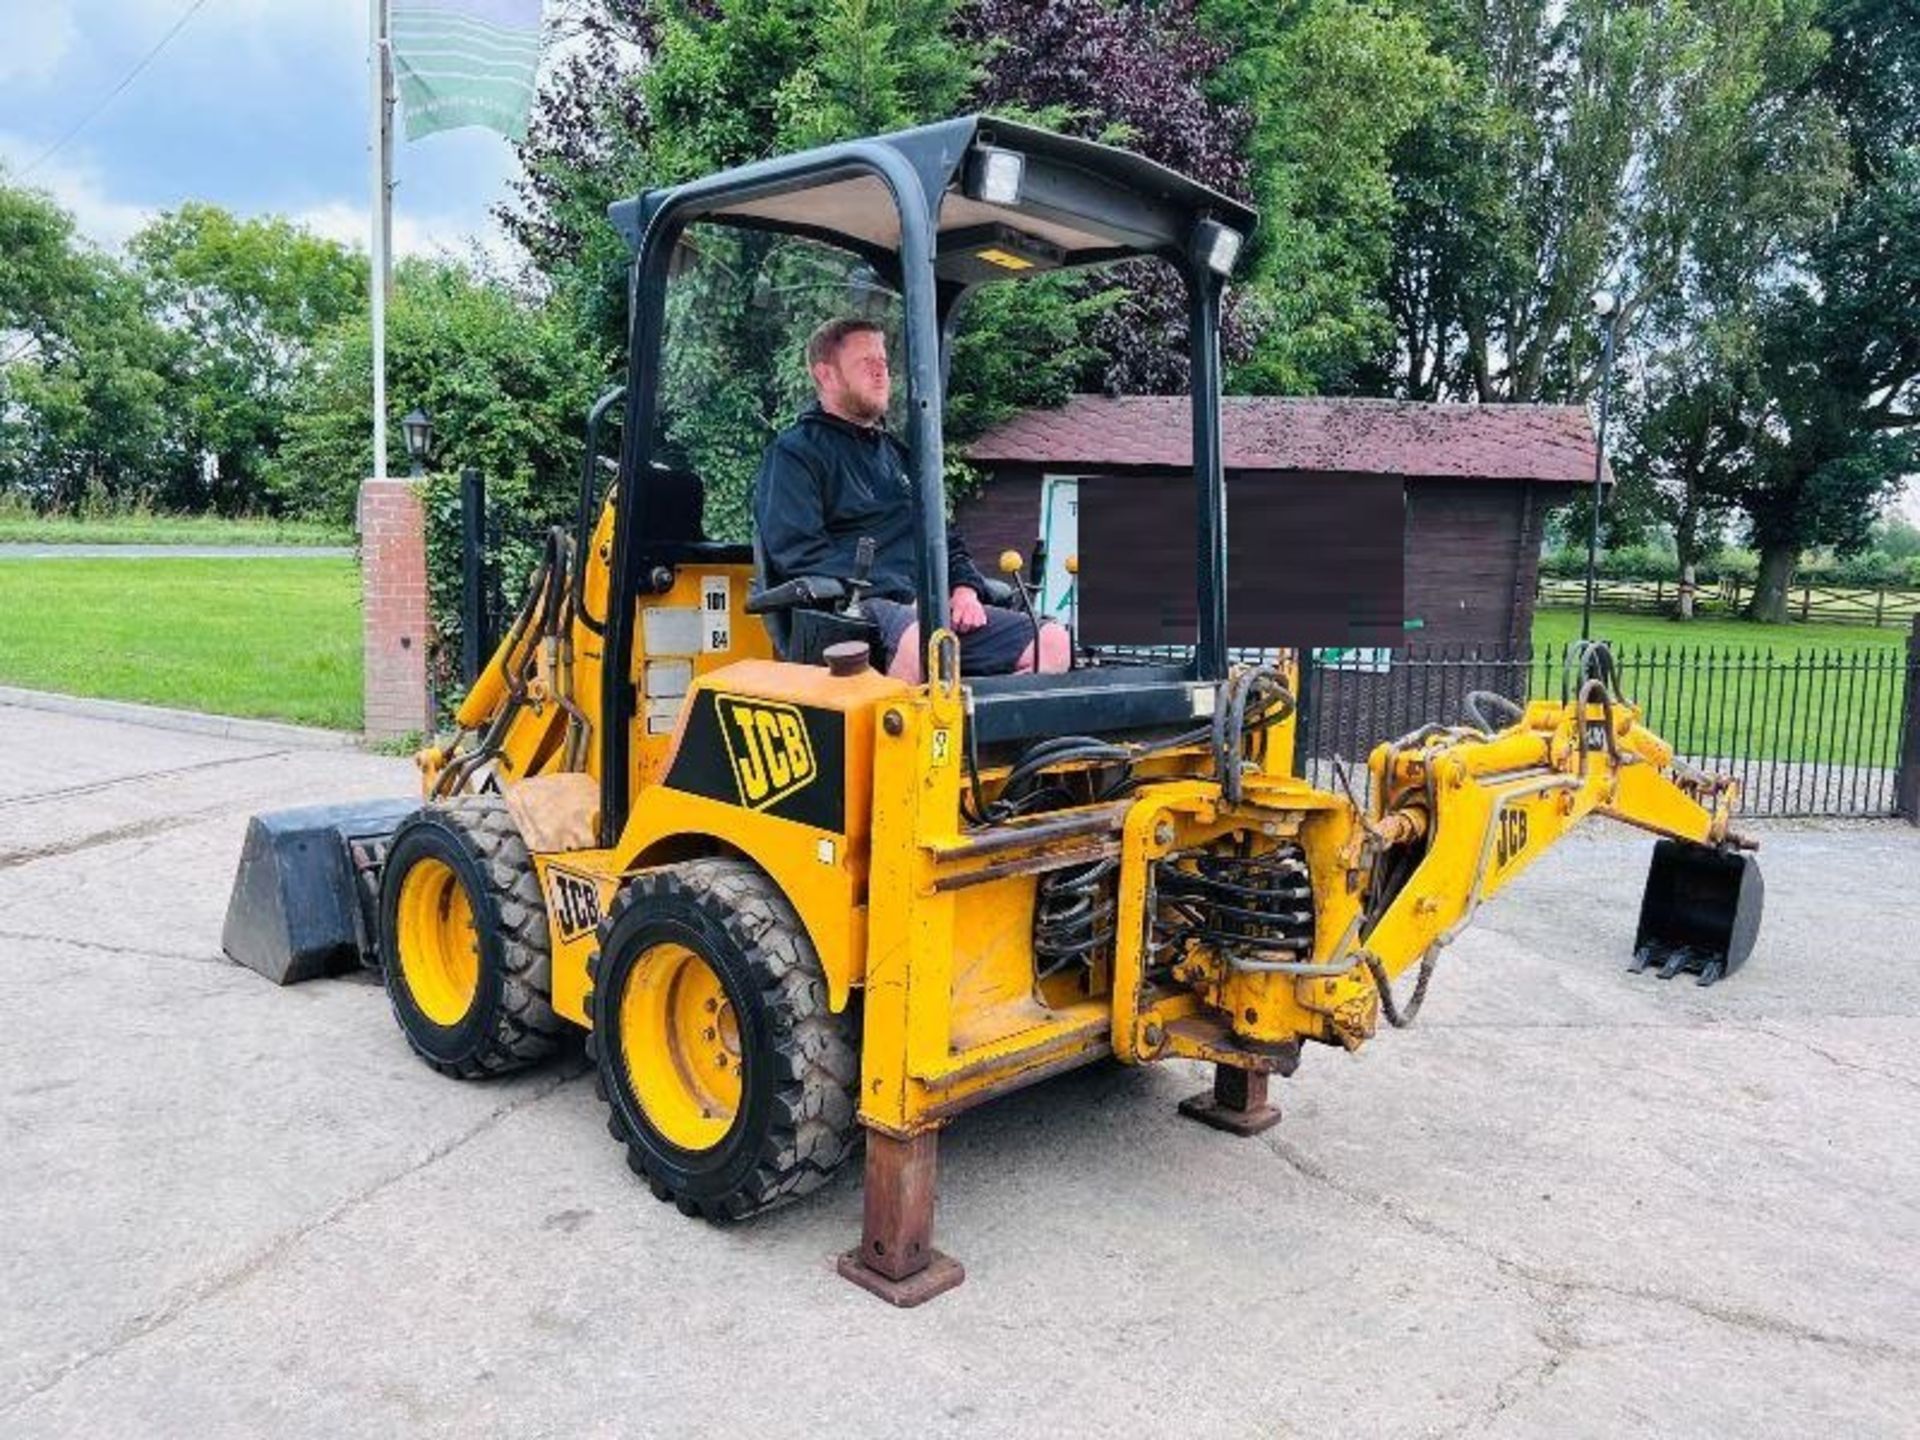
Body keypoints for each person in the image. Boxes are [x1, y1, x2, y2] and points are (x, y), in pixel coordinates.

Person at [753, 316, 1072, 682]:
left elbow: (945, 540)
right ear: (825, 375)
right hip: (849, 613)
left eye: (883, 363)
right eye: (865, 364)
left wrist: (965, 589)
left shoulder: (900, 456)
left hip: (925, 609)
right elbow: (799, 555)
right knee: (925, 642)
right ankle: (897, 737)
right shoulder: (795, 455)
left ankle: (980, 735)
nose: (880, 374)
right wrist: (904, 595)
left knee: (1050, 642)